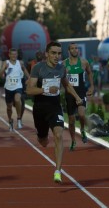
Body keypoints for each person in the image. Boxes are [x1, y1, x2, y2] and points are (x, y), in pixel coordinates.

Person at [26, 41, 82, 183]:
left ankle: (58, 171)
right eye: (53, 53)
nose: (57, 56)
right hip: (39, 108)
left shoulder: (61, 69)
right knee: (43, 141)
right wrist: (45, 90)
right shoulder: (38, 68)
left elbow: (66, 84)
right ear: (47, 54)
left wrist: (76, 97)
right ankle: (42, 135)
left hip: (55, 106)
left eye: (59, 53)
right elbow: (29, 90)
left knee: (58, 135)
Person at [63, 43, 94, 151]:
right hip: (69, 95)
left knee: (81, 114)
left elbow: (89, 73)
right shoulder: (64, 64)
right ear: (69, 51)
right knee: (71, 120)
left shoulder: (84, 62)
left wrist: (92, 86)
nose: (75, 50)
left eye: (76, 48)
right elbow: (62, 80)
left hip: (81, 93)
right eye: (72, 48)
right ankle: (73, 141)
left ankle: (82, 129)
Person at [0, 48, 30, 131]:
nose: (14, 56)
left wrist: (29, 78)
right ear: (9, 55)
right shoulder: (6, 63)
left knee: (17, 99)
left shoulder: (20, 63)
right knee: (9, 107)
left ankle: (19, 118)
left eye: (15, 54)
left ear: (17, 55)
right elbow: (0, 75)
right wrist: (3, 69)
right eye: (12, 54)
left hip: (18, 86)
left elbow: (25, 70)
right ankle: (10, 120)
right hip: (8, 88)